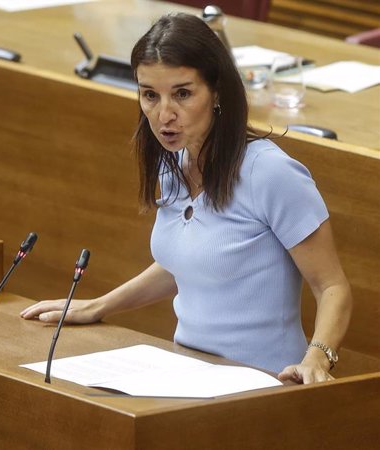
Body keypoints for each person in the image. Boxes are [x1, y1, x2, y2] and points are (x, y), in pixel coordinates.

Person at [20, 13, 352, 384]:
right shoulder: (175, 164)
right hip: (191, 373)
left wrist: (317, 359)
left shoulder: (271, 173)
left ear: (218, 92)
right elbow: (186, 263)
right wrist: (98, 306)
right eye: (150, 95)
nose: (165, 115)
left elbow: (332, 287)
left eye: (182, 93)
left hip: (265, 382)